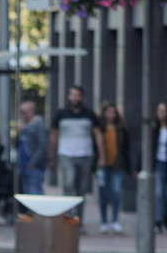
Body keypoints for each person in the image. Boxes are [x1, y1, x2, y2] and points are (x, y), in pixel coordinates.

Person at [49, 85, 104, 231]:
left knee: (81, 189)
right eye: (72, 95)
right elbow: (53, 135)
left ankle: (79, 221)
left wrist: (102, 156)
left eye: (77, 95)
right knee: (68, 182)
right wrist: (51, 156)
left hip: (85, 155)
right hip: (66, 154)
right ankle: (67, 217)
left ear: (82, 97)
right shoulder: (61, 114)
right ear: (68, 97)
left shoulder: (89, 114)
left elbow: (98, 135)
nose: (75, 98)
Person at [96, 102, 132, 233]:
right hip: (103, 165)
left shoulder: (121, 128)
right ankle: (104, 221)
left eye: (113, 112)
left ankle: (115, 220)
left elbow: (126, 148)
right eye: (108, 112)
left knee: (116, 192)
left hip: (117, 165)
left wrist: (128, 166)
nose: (111, 115)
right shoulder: (99, 128)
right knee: (104, 193)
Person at [17, 100, 48, 195]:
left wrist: (33, 162)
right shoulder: (25, 125)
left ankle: (37, 210)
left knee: (35, 192)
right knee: (27, 193)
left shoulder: (38, 124)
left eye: (23, 112)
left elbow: (43, 146)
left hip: (33, 165)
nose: (21, 116)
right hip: (23, 164)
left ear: (31, 111)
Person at [154, 102, 167, 234]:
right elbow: (146, 147)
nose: (162, 113)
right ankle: (158, 221)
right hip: (159, 163)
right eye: (160, 111)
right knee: (159, 193)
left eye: (165, 111)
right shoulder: (154, 127)